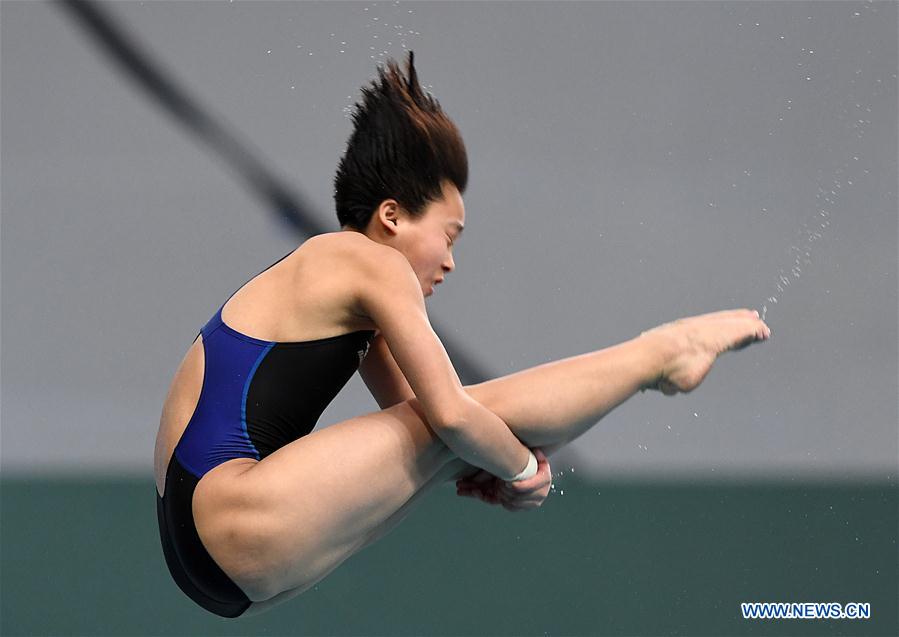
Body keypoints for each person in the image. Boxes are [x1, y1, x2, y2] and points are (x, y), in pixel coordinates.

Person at [154, 50, 771, 619]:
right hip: (234, 515)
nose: (450, 262)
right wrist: (522, 468)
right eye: (448, 236)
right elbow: (451, 415)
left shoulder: (335, 281)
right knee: (470, 412)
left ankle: (658, 357)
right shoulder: (371, 263)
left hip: (205, 555)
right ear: (392, 216)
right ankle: (661, 353)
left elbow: (424, 427)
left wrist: (483, 466)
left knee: (449, 433)